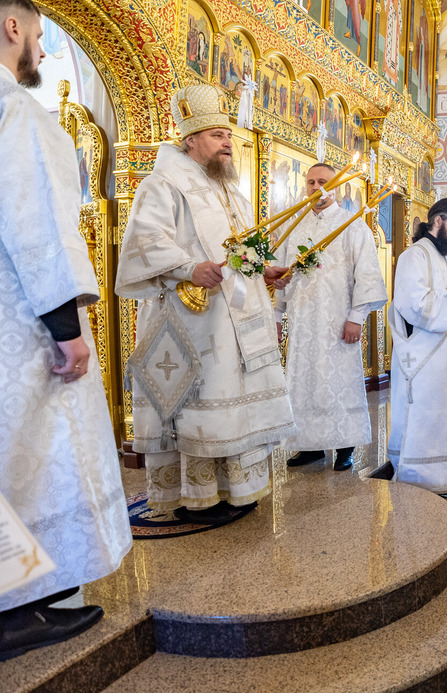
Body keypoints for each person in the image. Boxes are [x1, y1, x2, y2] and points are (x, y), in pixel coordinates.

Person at [0, 0, 130, 659]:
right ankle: (17, 605)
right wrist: (66, 325)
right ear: (11, 26)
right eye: (41, 36)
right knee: (31, 457)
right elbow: (38, 226)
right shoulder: (16, 111)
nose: (44, 53)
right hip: (19, 327)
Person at [115, 83, 295, 524]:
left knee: (236, 400)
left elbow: (241, 248)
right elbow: (143, 243)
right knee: (202, 403)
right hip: (192, 321)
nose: (228, 142)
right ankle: (198, 494)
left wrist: (263, 270)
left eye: (229, 135)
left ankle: (238, 488)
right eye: (217, 135)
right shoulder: (163, 185)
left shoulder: (228, 189)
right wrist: (189, 267)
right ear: (190, 139)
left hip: (236, 322)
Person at [275, 163, 387, 472]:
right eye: (310, 182)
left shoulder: (352, 225)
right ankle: (308, 445)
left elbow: (366, 275)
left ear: (335, 186)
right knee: (305, 382)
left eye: (322, 181)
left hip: (337, 322)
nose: (315, 187)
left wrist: (356, 317)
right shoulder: (294, 226)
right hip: (302, 322)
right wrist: (276, 314)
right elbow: (281, 273)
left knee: (339, 382)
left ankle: (344, 446)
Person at [388, 197, 447, 504]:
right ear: (438, 221)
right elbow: (411, 304)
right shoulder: (413, 256)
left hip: (444, 354)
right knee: (430, 417)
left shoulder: (441, 257)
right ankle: (424, 478)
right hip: (423, 356)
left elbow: (437, 301)